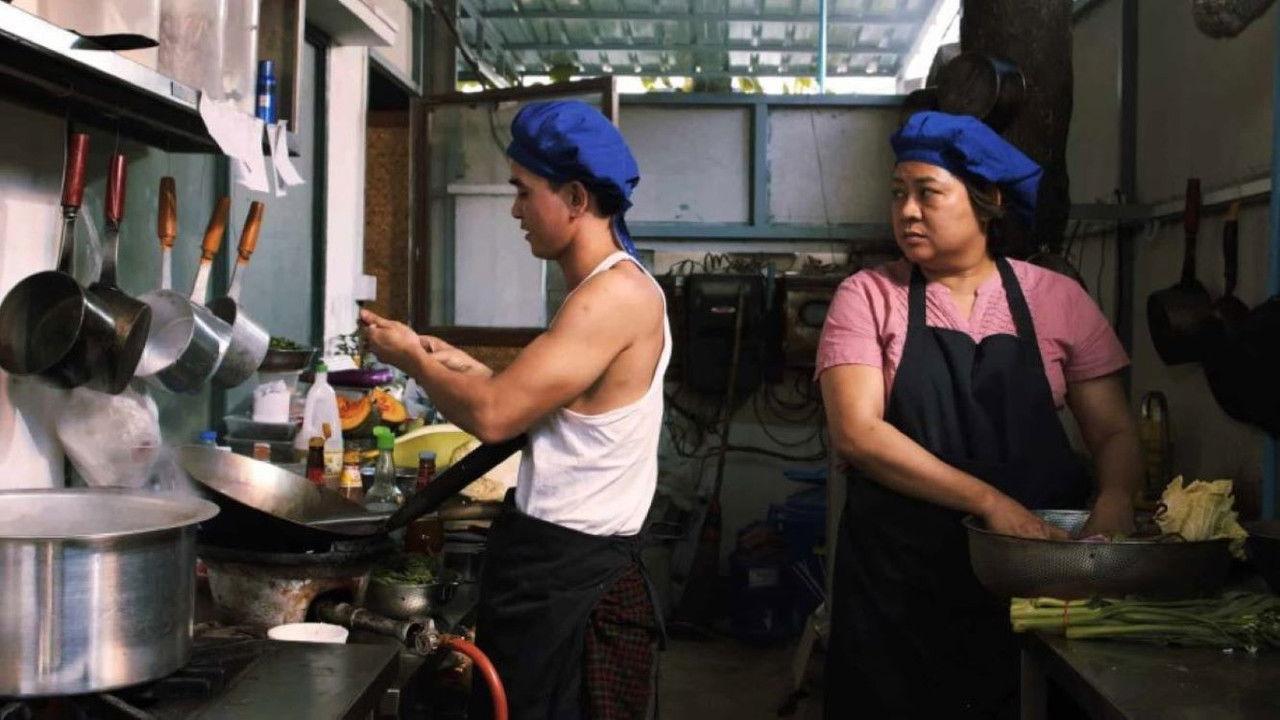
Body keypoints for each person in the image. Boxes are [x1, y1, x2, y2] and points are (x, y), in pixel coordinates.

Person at [817, 111, 1141, 718]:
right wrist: (989, 501)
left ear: (987, 200)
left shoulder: (1055, 297)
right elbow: (857, 434)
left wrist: (1116, 498)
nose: (907, 211)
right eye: (897, 194)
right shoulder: (868, 296)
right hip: (900, 586)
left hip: (1027, 579)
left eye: (927, 193)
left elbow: (1115, 430)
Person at [360, 99, 668, 720]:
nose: (515, 210)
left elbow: (498, 417)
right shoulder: (600, 291)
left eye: (524, 192)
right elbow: (552, 406)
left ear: (576, 198)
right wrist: (454, 363)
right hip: (549, 569)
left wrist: (411, 361)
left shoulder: (613, 297)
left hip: (573, 582)